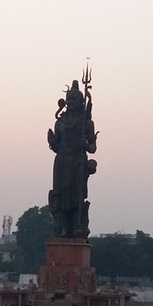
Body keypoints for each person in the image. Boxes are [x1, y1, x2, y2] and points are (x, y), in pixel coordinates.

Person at [47, 78, 97, 238]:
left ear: (81, 101)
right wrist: (52, 142)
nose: (72, 101)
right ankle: (62, 227)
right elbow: (56, 145)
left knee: (77, 195)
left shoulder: (87, 123)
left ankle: (77, 225)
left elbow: (93, 148)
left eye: (75, 99)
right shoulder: (60, 122)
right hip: (62, 161)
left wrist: (85, 144)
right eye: (70, 99)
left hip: (77, 161)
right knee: (60, 195)